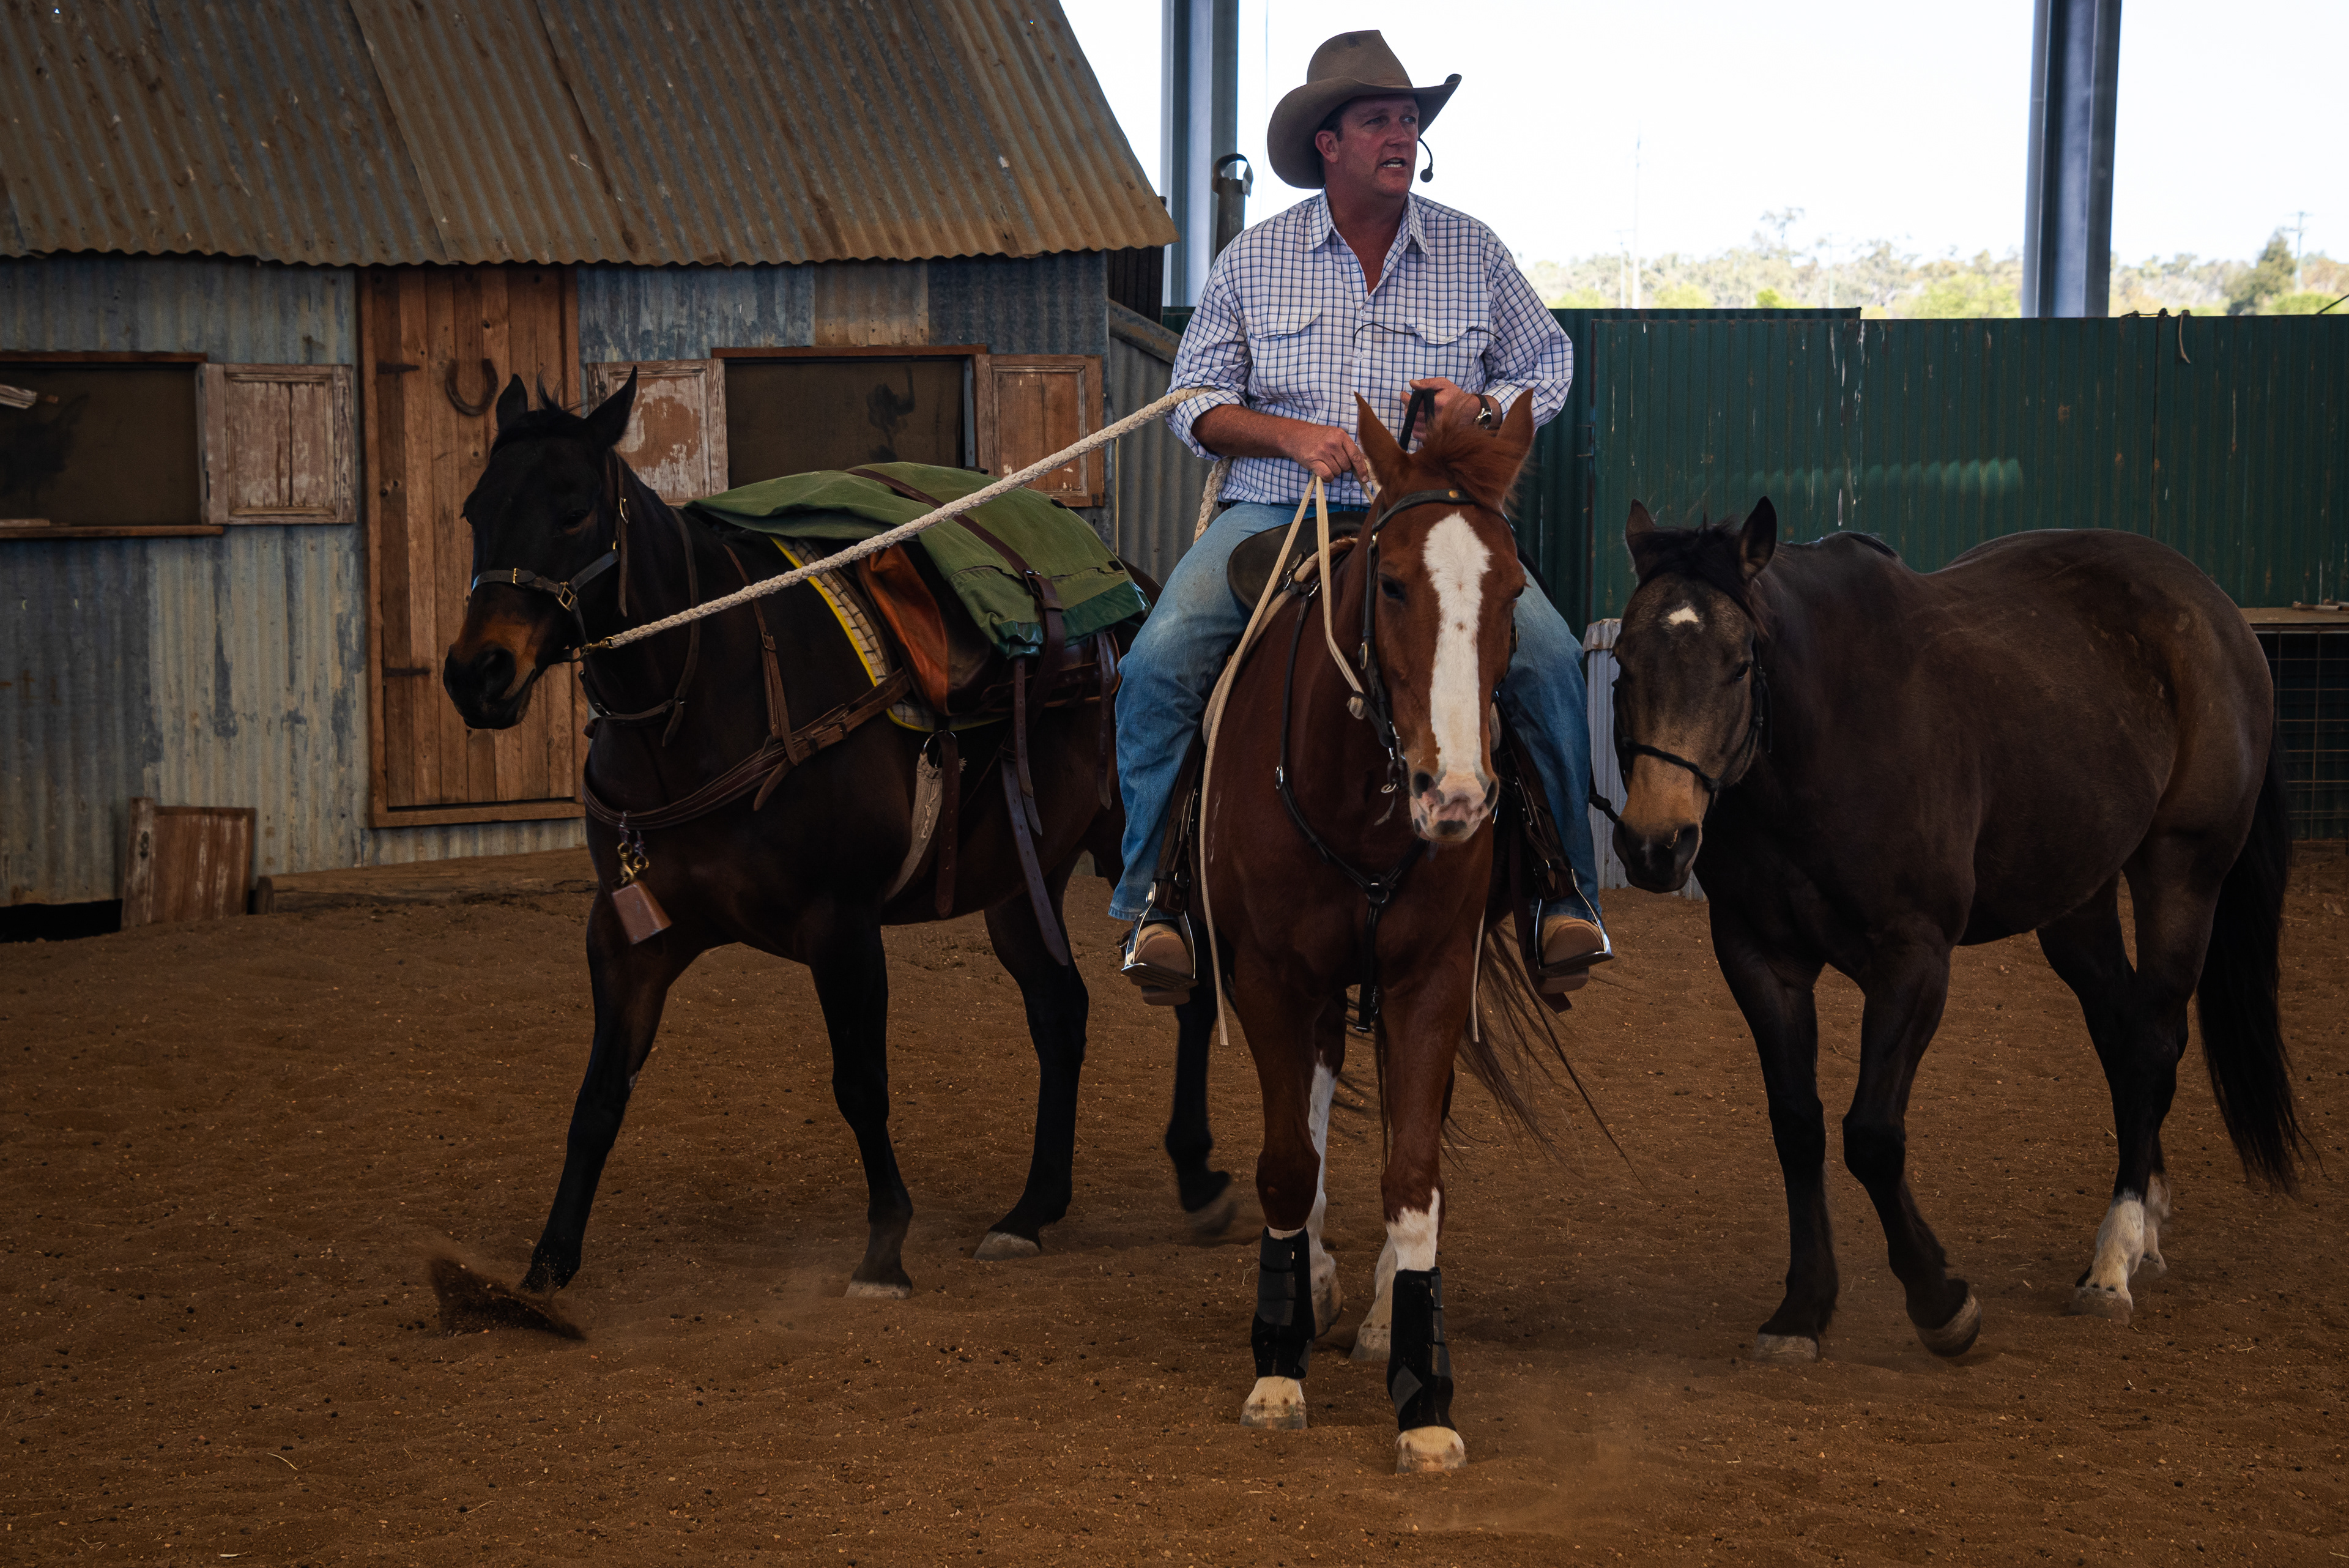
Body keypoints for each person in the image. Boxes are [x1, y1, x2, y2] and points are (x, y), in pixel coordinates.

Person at [1115, 28, 1609, 998]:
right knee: (1159, 661)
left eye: (1410, 118)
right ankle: (1152, 903)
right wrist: (1293, 438)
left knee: (1548, 659)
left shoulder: (1474, 251)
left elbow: (1546, 365)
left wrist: (1477, 410)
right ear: (1328, 144)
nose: (1402, 132)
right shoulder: (1255, 260)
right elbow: (1197, 401)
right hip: (1278, 514)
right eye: (1378, 118)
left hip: (1434, 525)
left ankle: (1565, 897)